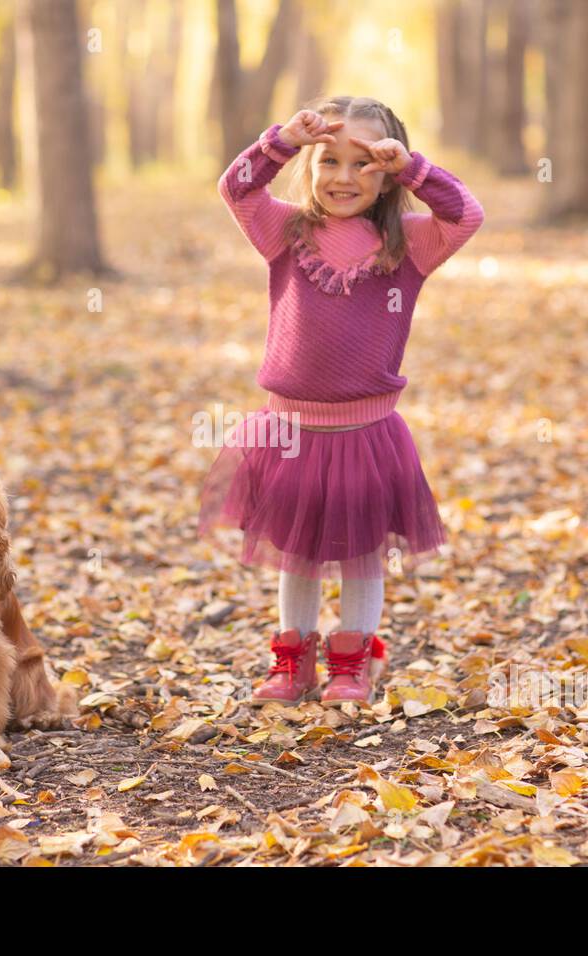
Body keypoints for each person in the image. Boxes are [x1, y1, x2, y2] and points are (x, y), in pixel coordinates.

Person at [197, 95, 484, 705]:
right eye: (329, 161)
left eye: (364, 164)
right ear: (310, 164)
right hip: (288, 432)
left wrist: (415, 169)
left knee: (360, 558)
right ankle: (291, 660)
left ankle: (353, 660)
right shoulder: (285, 231)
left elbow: (466, 216)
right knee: (295, 556)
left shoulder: (410, 242)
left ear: (386, 176)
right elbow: (236, 188)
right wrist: (281, 140)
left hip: (367, 435)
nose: (344, 177)